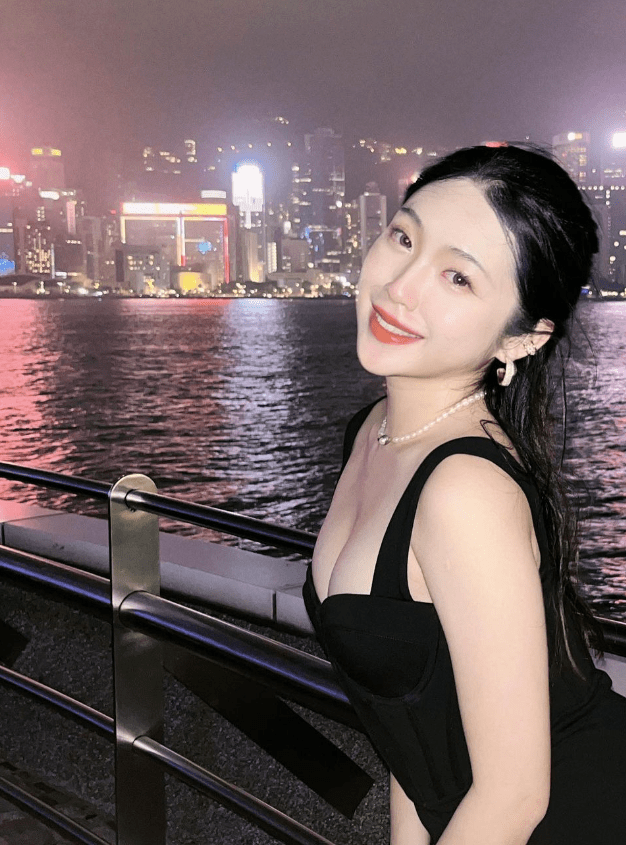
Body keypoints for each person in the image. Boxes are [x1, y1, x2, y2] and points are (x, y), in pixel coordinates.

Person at [302, 144, 626, 845]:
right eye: (403, 238)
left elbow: (514, 797)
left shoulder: (466, 490)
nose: (400, 286)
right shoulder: (375, 431)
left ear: (523, 338)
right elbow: (412, 713)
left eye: (457, 277)